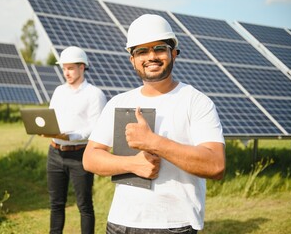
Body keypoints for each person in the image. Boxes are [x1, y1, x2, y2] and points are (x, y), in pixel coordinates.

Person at [83, 14, 226, 234]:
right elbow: (90, 158)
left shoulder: (196, 101)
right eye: (141, 51)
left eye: (159, 48)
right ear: (132, 59)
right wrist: (132, 164)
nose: (151, 56)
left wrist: (153, 142)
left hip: (175, 225)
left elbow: (215, 165)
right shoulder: (118, 102)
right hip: (121, 223)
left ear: (174, 53)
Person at [46, 46, 107, 234]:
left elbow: (96, 127)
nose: (66, 73)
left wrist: (71, 136)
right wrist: (45, 129)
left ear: (82, 67)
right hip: (54, 153)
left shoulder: (95, 94)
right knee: (56, 204)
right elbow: (51, 117)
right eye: (64, 68)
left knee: (84, 205)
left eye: (71, 68)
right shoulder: (58, 91)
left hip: (80, 155)